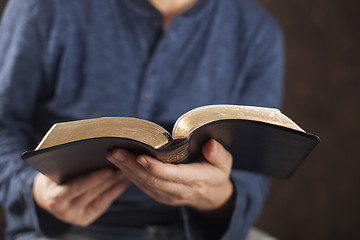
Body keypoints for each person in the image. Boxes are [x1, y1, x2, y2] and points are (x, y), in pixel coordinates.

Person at [0, 0, 284, 239]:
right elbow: (4, 124)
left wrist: (220, 199)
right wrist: (33, 190)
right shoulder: (41, 7)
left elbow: (254, 171)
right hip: (64, 228)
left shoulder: (258, 33)